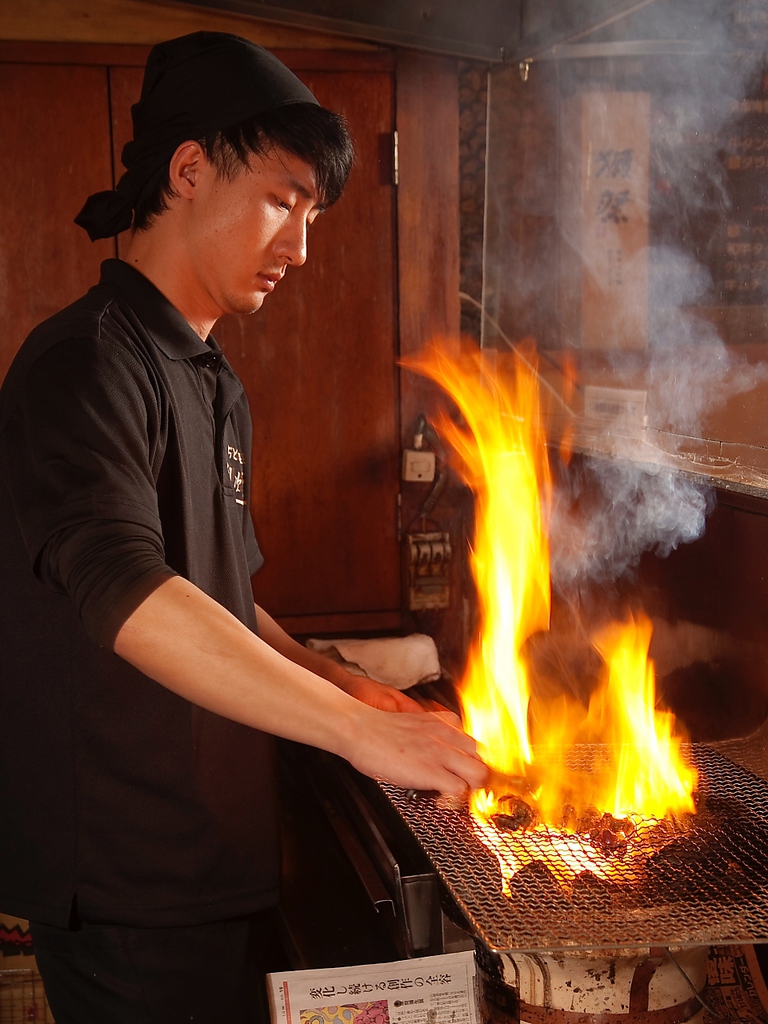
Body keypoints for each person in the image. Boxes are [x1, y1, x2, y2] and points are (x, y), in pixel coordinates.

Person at [0, 31, 486, 1024]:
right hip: (133, 885)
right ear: (188, 170)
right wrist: (356, 733)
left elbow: (219, 598)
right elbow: (131, 594)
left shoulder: (212, 378)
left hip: (220, 860)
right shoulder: (85, 365)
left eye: (312, 216)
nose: (300, 248)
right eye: (281, 200)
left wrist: (345, 684)